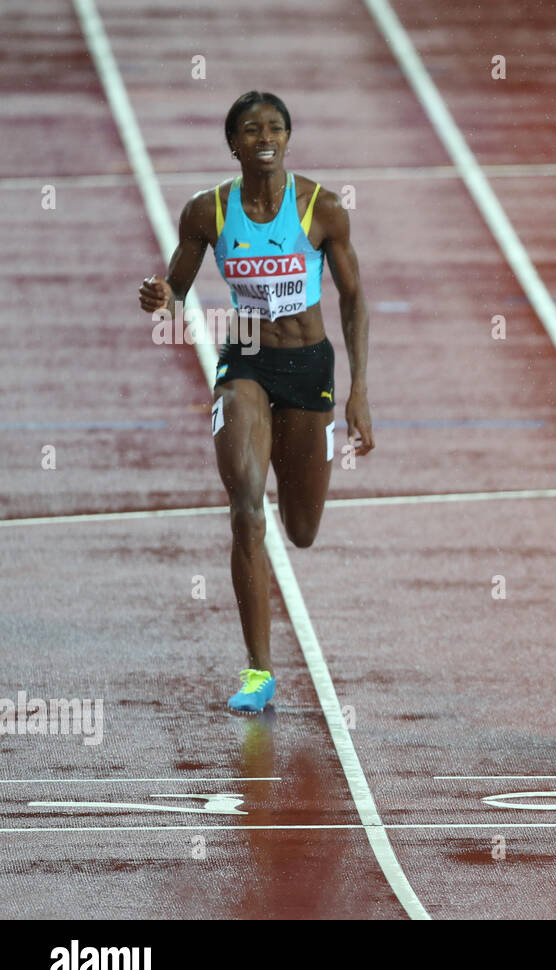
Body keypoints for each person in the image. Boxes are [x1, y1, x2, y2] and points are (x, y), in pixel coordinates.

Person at [138, 91, 374, 713]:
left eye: (274, 127)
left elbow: (353, 298)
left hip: (309, 363)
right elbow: (176, 291)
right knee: (245, 506)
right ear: (234, 144)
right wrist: (160, 297)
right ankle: (258, 671)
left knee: (300, 530)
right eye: (251, 129)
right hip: (243, 354)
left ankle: (295, 500)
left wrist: (360, 392)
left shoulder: (322, 208)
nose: (264, 137)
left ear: (288, 139)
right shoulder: (207, 212)